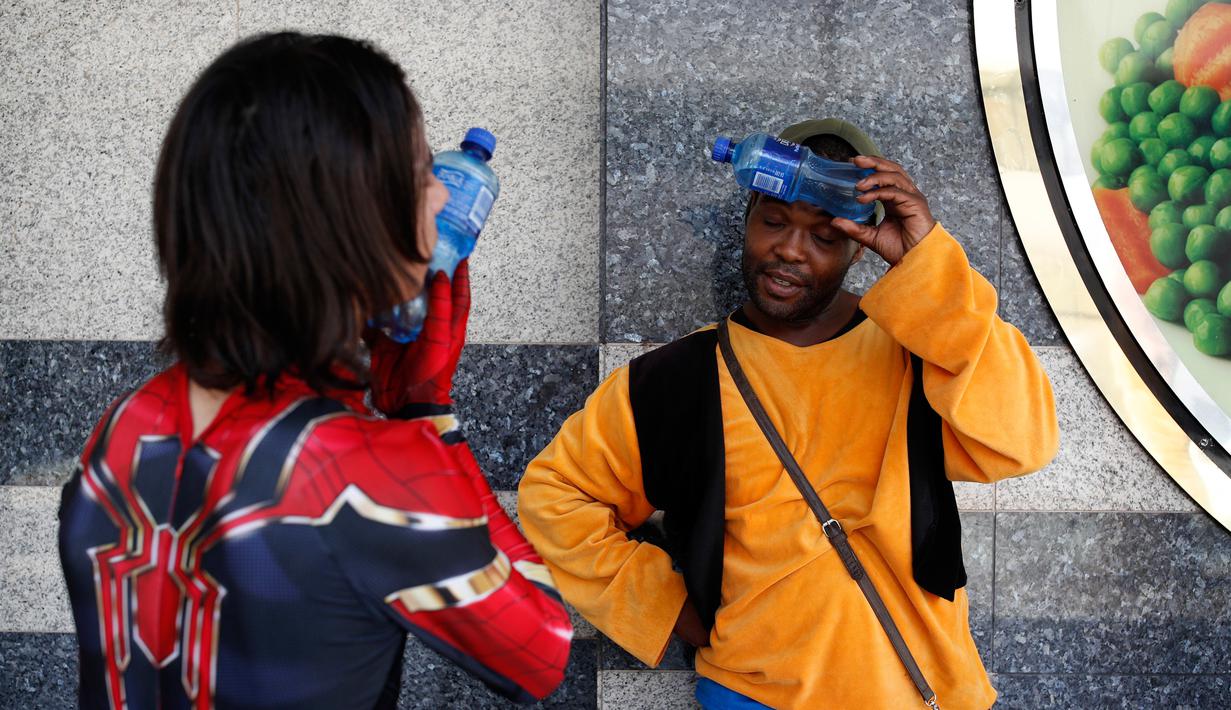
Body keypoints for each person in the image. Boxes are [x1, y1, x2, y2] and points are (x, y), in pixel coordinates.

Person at [57, 33, 571, 710]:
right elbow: (540, 648)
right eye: (421, 172)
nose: (443, 200)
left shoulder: (125, 422)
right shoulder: (363, 472)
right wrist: (425, 417)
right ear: (350, 212)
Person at [517, 118, 1059, 709]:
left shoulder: (921, 347)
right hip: (753, 693)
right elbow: (555, 496)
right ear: (748, 219)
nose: (790, 250)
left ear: (860, 246)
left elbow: (1023, 441)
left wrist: (928, 270)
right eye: (773, 222)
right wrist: (668, 608)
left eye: (825, 237)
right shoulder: (676, 378)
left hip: (916, 688)